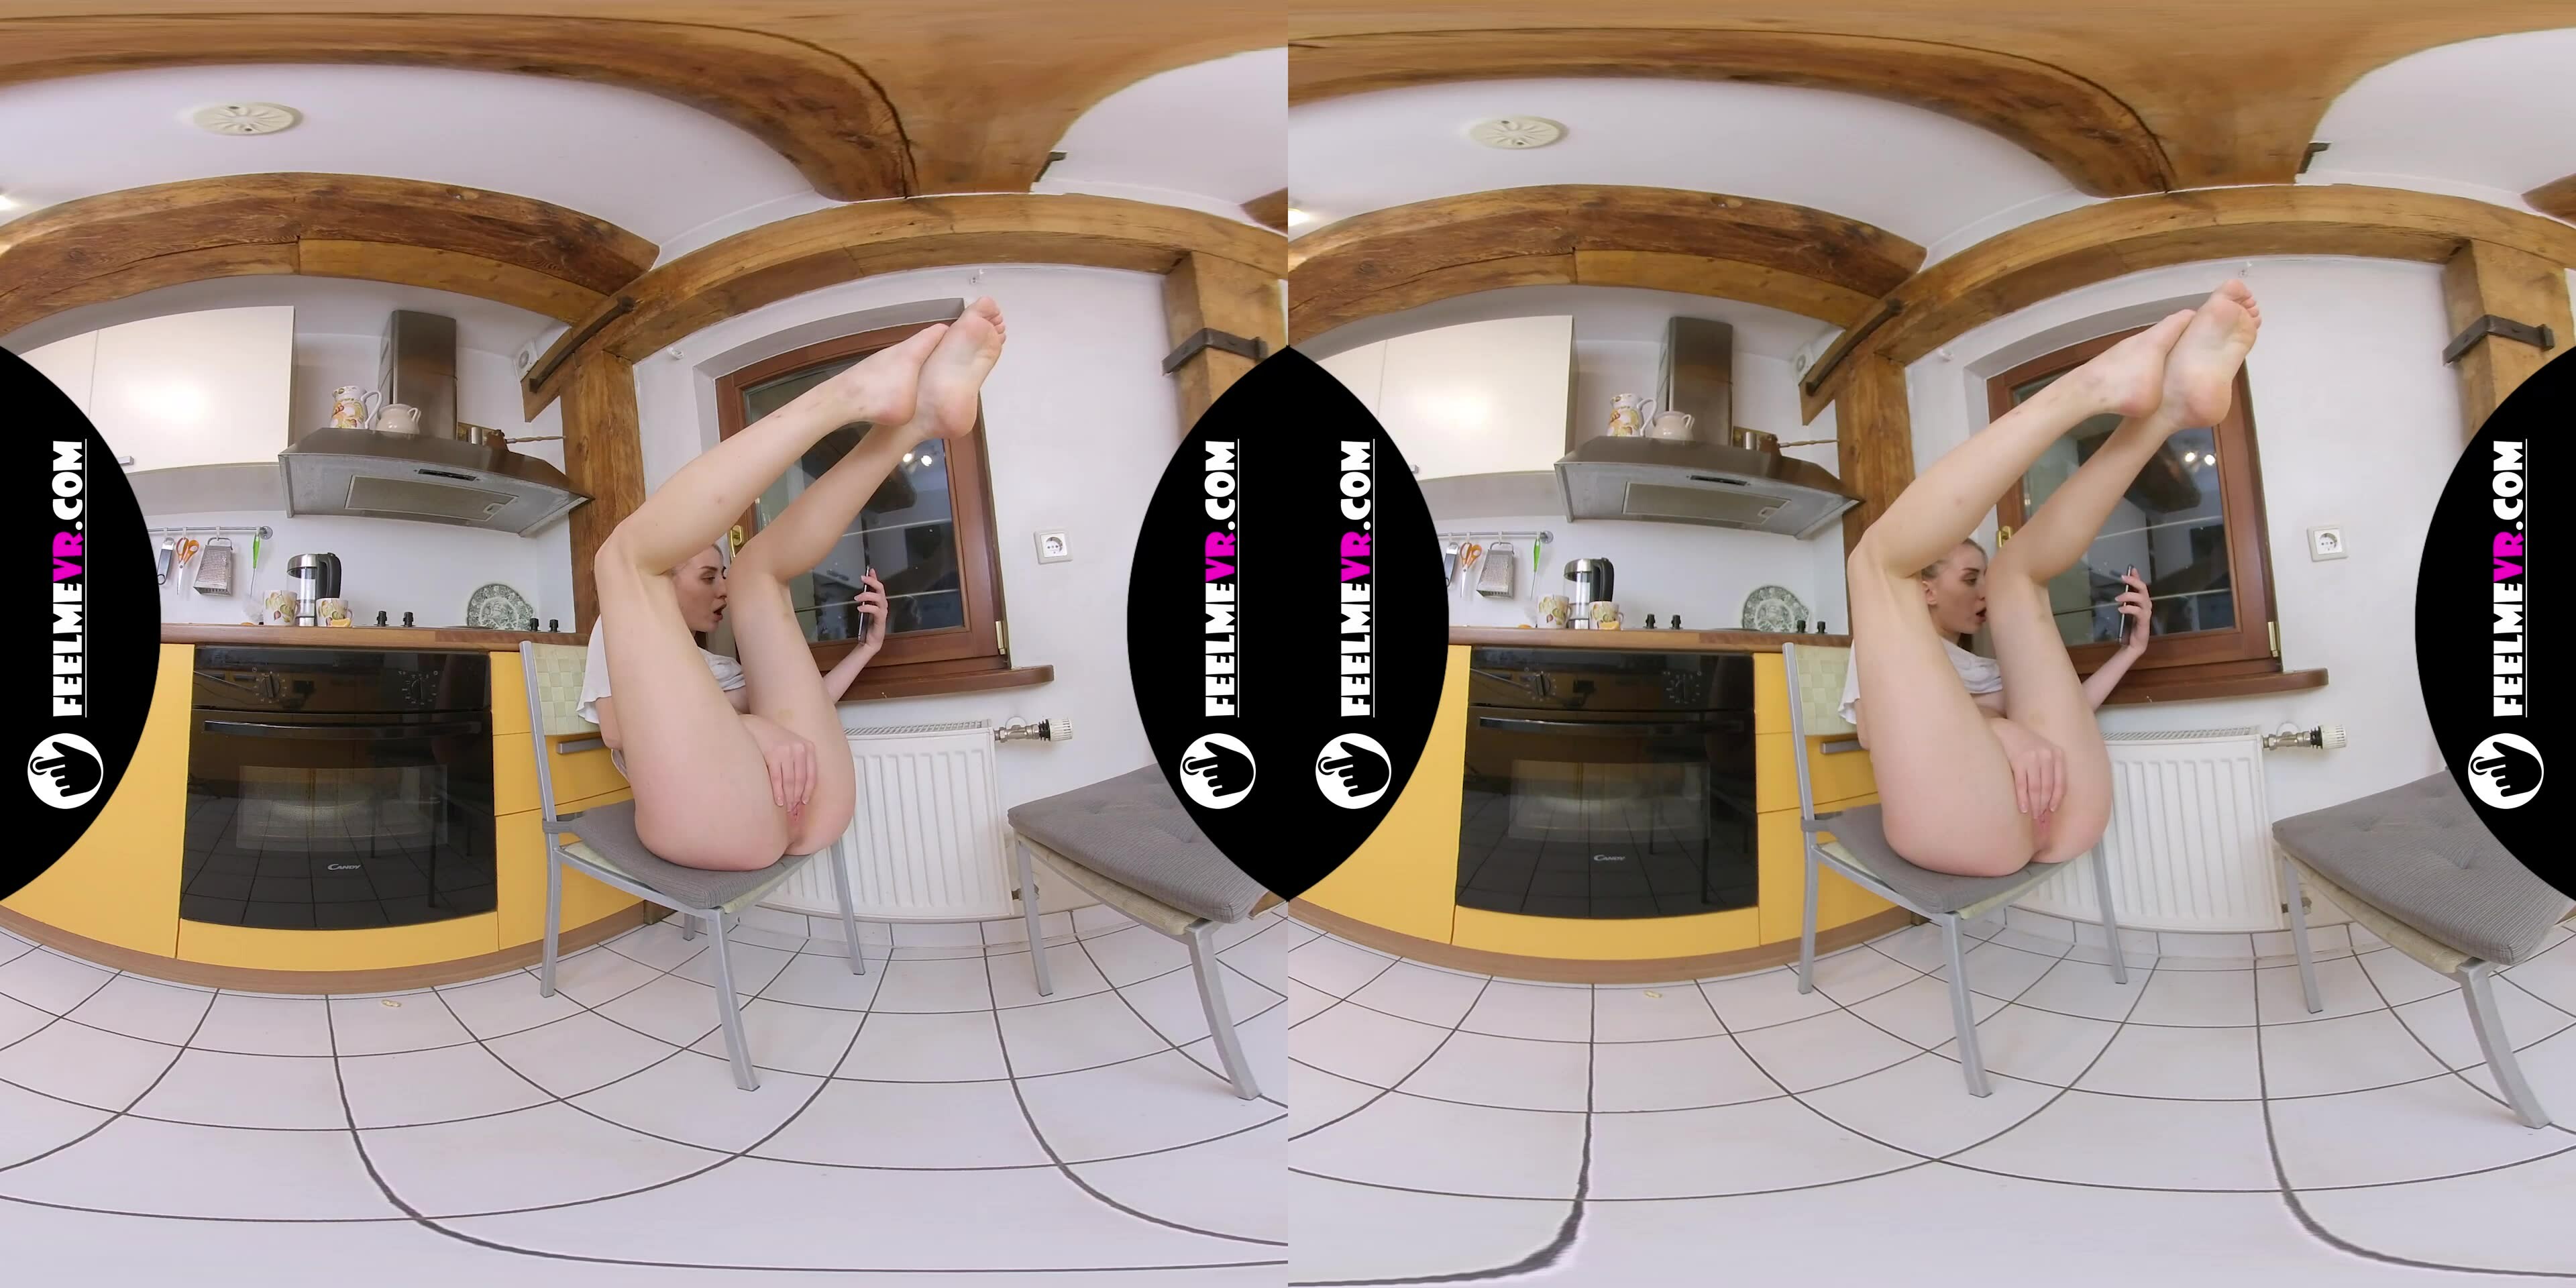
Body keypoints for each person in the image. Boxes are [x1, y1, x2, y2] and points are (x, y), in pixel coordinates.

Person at [1843, 282, 2259, 877]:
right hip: (1980, 815)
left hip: (2043, 805)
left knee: (2012, 574)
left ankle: (2168, 410)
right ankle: (2100, 391)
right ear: (1926, 589)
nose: (1981, 593)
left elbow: (2060, 712)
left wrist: (2128, 653)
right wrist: (2002, 733)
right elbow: (1872, 733)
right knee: (1880, 566)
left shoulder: (1977, 663)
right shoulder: (1892, 647)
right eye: (1968, 577)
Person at [582, 299, 1007, 871]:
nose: (721, 590)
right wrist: (755, 726)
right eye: (706, 576)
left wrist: (865, 651)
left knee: (755, 570)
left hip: (790, 801)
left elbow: (802, 707)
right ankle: (858, 400)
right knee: (624, 562)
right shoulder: (625, 633)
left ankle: (918, 421)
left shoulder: (712, 662)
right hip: (725, 813)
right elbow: (617, 730)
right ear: (671, 577)